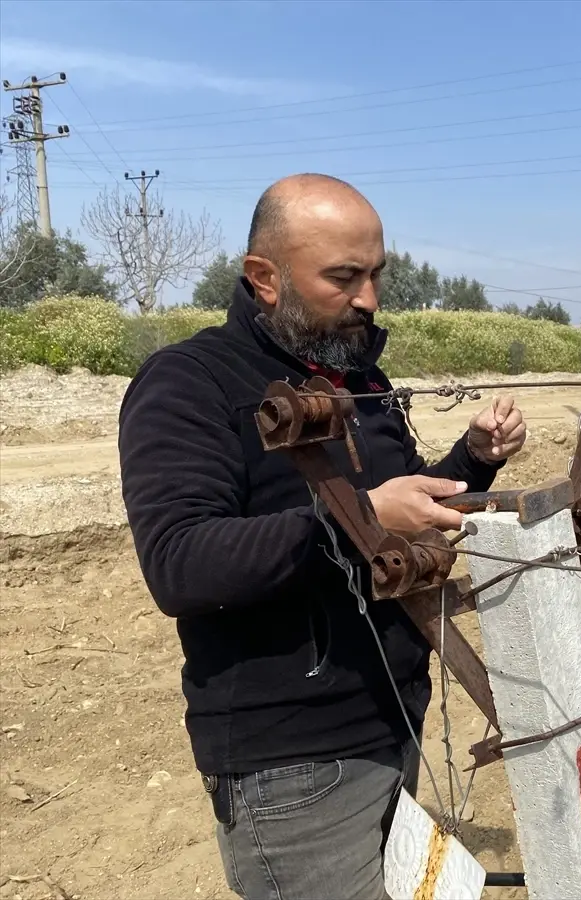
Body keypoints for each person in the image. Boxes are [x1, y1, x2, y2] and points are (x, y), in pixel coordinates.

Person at [118, 173, 527, 900]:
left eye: (376, 275)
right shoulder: (189, 382)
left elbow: (396, 511)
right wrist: (364, 518)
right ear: (264, 278)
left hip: (394, 718)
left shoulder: (362, 380)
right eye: (344, 277)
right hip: (293, 763)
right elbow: (179, 564)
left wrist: (472, 460)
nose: (369, 298)